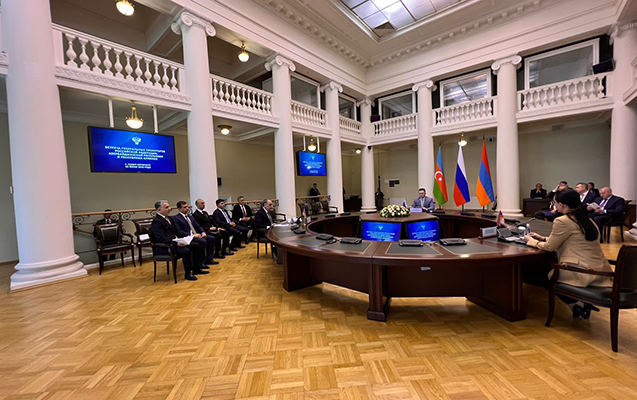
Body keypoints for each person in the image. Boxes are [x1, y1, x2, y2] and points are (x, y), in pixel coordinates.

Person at [524, 189, 612, 319]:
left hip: (581, 271)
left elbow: (550, 247)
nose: (554, 205)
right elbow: (573, 239)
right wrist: (542, 238)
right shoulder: (587, 220)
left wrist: (531, 241)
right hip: (599, 269)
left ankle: (577, 303)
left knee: (538, 274)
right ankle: (577, 304)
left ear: (561, 205)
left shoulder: (562, 221)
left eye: (555, 203)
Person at [150, 200, 208, 281]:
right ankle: (188, 273)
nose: (170, 208)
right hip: (166, 246)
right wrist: (175, 243)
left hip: (176, 241)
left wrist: (187, 238)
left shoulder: (170, 218)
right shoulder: (157, 221)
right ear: (159, 210)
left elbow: (177, 231)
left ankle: (197, 268)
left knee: (197, 245)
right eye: (166, 207)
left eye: (169, 206)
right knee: (186, 250)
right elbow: (160, 237)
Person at [173, 200, 219, 266]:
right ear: (179, 209)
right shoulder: (176, 218)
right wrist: (192, 235)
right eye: (184, 207)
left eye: (187, 207)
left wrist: (203, 232)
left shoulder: (190, 217)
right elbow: (179, 231)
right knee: (202, 241)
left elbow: (198, 226)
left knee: (212, 238)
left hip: (196, 235)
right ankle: (200, 262)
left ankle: (209, 259)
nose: (187, 208)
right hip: (187, 237)